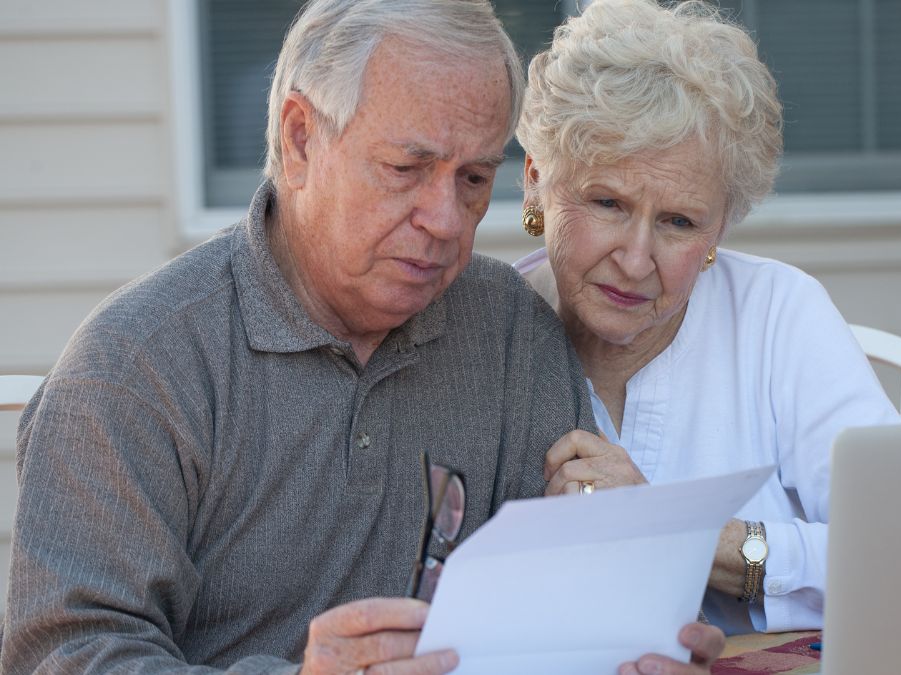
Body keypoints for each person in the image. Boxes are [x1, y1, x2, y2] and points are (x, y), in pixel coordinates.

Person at [0, 1, 722, 673]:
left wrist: (633, 632)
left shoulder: (507, 330)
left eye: (473, 178)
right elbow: (63, 654)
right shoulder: (137, 366)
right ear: (301, 138)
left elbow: (559, 605)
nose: (445, 218)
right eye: (407, 168)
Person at [514, 0, 901, 635]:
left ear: (720, 227)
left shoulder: (778, 315)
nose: (636, 260)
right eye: (608, 203)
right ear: (535, 183)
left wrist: (676, 532)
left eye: (679, 222)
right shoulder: (481, 335)